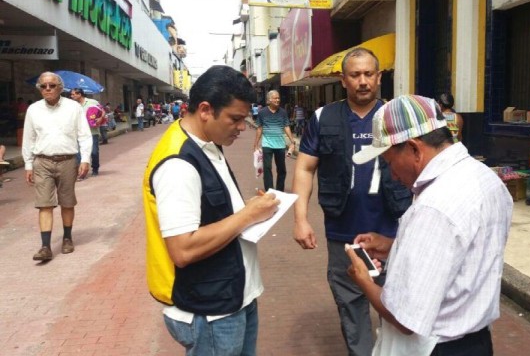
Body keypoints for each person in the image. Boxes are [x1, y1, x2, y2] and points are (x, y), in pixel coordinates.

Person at [347, 94, 513, 355]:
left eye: (389, 161)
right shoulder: (487, 180)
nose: (392, 173)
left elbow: (404, 318)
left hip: (437, 347)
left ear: (414, 149)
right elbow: (460, 254)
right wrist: (395, 247)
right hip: (477, 341)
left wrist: (363, 280)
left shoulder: (433, 205)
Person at [143, 65, 280, 355]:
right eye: (235, 119)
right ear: (205, 110)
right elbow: (183, 249)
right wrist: (248, 215)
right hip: (211, 310)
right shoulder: (178, 165)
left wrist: (250, 210)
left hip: (232, 297)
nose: (242, 128)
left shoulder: (208, 144)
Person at [292, 47, 412, 355]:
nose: (362, 81)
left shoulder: (397, 116)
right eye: (355, 75)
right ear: (343, 79)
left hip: (393, 231)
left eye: (368, 74)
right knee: (351, 307)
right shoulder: (323, 118)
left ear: (379, 77)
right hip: (343, 234)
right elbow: (305, 167)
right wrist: (301, 218)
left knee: (400, 308)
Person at [22, 72, 93, 261]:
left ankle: (67, 238)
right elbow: (29, 138)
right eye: (43, 86)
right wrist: (28, 164)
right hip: (42, 161)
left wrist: (85, 159)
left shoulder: (73, 108)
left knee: (67, 202)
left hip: (68, 161)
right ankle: (45, 246)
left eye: (51, 85)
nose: (47, 89)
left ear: (60, 88)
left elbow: (84, 135)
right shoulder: (33, 110)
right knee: (44, 204)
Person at [253, 90, 295, 192]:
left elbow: (286, 126)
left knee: (281, 169)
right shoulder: (262, 112)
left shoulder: (283, 112)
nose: (277, 100)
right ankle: (269, 190)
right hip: (267, 144)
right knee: (267, 168)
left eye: (278, 98)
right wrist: (256, 143)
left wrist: (292, 140)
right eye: (275, 98)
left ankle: (280, 190)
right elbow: (259, 128)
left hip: (280, 145)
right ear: (269, 100)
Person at [70, 88, 104, 177]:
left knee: (94, 152)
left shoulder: (92, 102)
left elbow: (102, 111)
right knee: (78, 154)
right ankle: (81, 172)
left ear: (79, 94)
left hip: (92, 132)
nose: (71, 96)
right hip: (78, 133)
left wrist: (100, 118)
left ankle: (95, 168)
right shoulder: (72, 105)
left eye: (73, 94)